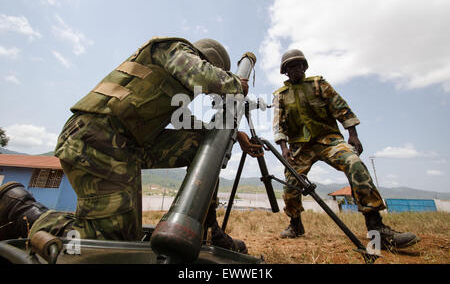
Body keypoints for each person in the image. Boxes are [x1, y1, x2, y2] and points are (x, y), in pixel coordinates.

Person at [0, 37, 262, 253]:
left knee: (205, 147)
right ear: (206, 61)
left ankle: (206, 227)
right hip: (94, 137)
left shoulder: (173, 93)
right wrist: (233, 83)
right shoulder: (173, 50)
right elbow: (200, 74)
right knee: (111, 241)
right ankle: (20, 209)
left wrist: (234, 134)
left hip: (125, 146)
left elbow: (192, 126)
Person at [272, 49, 420, 250]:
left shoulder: (318, 84)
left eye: (298, 65)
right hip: (300, 147)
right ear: (285, 71)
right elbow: (279, 125)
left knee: (354, 163)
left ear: (304, 67)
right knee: (291, 184)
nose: (295, 69)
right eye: (290, 66)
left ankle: (376, 228)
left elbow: (340, 107)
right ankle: (295, 225)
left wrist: (353, 134)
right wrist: (284, 148)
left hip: (329, 140)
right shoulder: (280, 96)